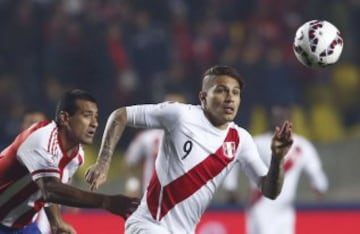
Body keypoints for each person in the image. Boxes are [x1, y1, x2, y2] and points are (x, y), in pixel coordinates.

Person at [85, 65, 294, 234]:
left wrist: (277, 158)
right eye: (221, 90)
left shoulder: (241, 140)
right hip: (149, 225)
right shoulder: (180, 115)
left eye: (235, 93)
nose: (230, 98)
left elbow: (270, 191)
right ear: (203, 97)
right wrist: (103, 162)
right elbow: (120, 115)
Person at [0, 89, 139, 234]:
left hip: (23, 227)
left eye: (96, 117)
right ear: (64, 118)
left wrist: (56, 222)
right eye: (87, 116)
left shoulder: (77, 156)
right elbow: (50, 189)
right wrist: (107, 202)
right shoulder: (41, 140)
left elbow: (51, 190)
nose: (95, 123)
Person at [223, 105, 329, 234]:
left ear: (291, 120)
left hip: (285, 210)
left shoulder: (302, 146)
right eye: (277, 117)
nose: (280, 120)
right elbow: (235, 159)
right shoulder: (258, 142)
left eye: (283, 116)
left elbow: (316, 173)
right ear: (271, 120)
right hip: (261, 206)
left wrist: (319, 187)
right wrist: (230, 187)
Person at [123, 92, 187, 196]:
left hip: (181, 200)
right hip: (150, 198)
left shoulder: (193, 138)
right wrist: (133, 184)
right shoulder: (147, 137)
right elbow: (130, 162)